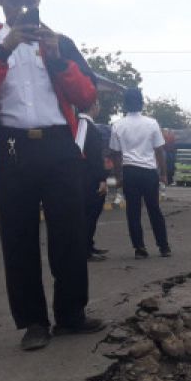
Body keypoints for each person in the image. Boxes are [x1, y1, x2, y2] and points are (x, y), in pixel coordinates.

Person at [0, 0, 101, 351]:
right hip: (12, 150)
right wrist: (5, 50)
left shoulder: (61, 42)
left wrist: (56, 58)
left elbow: (87, 96)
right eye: (13, 1)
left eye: (29, 0)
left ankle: (71, 314)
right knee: (19, 238)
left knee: (69, 235)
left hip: (59, 147)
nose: (22, 8)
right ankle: (34, 322)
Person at [109, 87, 171, 258]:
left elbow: (115, 154)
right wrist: (163, 173)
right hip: (149, 172)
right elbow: (159, 150)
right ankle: (163, 246)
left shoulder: (117, 125)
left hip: (129, 172)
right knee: (154, 209)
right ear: (141, 103)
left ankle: (140, 248)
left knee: (133, 212)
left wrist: (118, 176)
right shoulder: (152, 123)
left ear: (125, 104)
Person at [76, 97, 109, 260]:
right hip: (88, 178)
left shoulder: (86, 125)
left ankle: (88, 244)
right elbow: (83, 152)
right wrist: (101, 178)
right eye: (98, 104)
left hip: (88, 176)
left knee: (92, 213)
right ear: (93, 106)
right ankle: (84, 250)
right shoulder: (83, 124)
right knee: (89, 213)